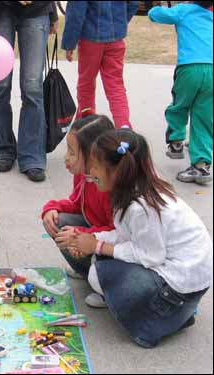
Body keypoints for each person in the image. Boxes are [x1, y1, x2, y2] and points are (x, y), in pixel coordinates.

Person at [68, 129, 212, 348]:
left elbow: (151, 256)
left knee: (100, 273)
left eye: (95, 165)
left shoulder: (140, 206)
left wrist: (96, 245)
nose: (91, 170)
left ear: (116, 171)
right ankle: (176, 316)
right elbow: (126, 236)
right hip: (179, 276)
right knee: (100, 266)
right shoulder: (131, 192)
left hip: (179, 286)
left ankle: (164, 319)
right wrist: (90, 238)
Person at [0, 1, 59, 182]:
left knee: (32, 86)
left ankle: (32, 156)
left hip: (37, 9)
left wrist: (52, 13)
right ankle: (3, 149)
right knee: (0, 84)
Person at [41, 115, 115, 298]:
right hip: (97, 234)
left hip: (116, 246)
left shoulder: (110, 185)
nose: (66, 158)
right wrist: (52, 208)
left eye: (72, 153)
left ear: (93, 156)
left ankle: (110, 288)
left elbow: (120, 233)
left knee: (69, 231)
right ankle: (88, 273)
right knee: (59, 221)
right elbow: (77, 203)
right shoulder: (84, 174)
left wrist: (83, 235)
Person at [149, 1, 213, 184]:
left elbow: (155, 14)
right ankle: (201, 167)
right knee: (204, 118)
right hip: (212, 70)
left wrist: (156, 5)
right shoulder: (210, 17)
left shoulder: (183, 10)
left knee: (179, 106)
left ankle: (176, 141)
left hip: (189, 68)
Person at [62, 1, 139, 129]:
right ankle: (124, 126)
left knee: (86, 84)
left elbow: (76, 12)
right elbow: (134, 3)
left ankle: (86, 124)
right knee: (115, 85)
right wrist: (121, 22)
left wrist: (70, 42)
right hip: (116, 39)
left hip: (90, 39)